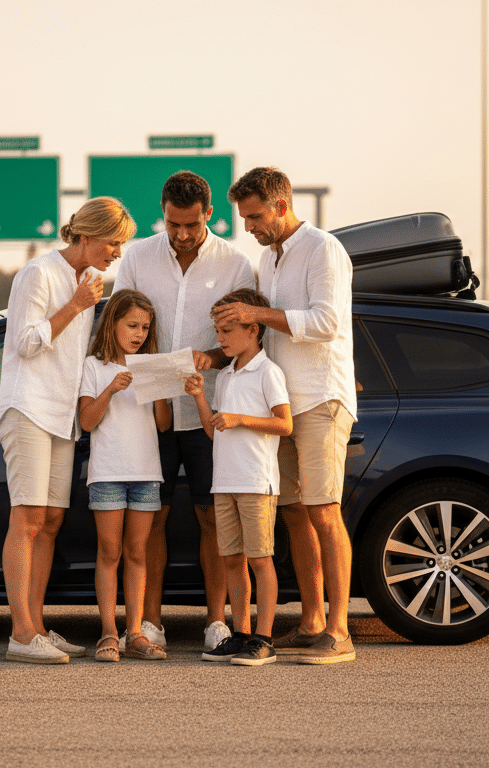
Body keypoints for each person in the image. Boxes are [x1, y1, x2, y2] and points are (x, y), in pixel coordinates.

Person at [214, 167, 359, 665]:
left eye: (254, 216)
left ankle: (339, 633)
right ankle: (312, 621)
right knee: (295, 513)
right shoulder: (267, 258)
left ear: (280, 205)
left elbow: (327, 322)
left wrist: (258, 315)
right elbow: (266, 339)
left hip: (320, 400)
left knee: (323, 510)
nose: (248, 226)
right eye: (244, 217)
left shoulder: (323, 250)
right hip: (283, 407)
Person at [115, 170, 256, 653]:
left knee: (212, 516)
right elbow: (120, 325)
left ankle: (216, 622)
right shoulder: (137, 256)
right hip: (148, 410)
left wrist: (211, 358)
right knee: (151, 516)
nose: (180, 234)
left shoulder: (236, 264)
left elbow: (243, 337)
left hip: (208, 411)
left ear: (208, 216)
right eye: (173, 224)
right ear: (164, 212)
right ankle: (150, 622)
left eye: (190, 225)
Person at [0, 196, 136, 664]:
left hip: (62, 417)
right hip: (29, 409)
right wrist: (75, 306)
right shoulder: (39, 273)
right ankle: (20, 633)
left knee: (51, 522)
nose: (117, 253)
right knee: (28, 519)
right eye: (113, 243)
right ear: (88, 234)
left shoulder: (89, 282)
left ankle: (36, 626)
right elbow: (26, 342)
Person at [186, 288, 291, 666]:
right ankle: (242, 633)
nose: (219, 339)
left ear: (253, 328)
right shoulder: (227, 375)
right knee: (231, 559)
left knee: (261, 560)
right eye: (217, 331)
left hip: (255, 482)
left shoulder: (268, 372)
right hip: (225, 483)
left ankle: (264, 639)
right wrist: (200, 397)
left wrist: (241, 419)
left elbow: (285, 424)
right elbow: (215, 430)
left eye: (227, 330)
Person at [78, 290, 172, 662]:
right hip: (108, 472)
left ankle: (135, 632)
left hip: (147, 472)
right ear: (112, 323)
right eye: (131, 325)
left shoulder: (151, 364)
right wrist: (111, 388)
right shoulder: (93, 366)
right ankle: (108, 632)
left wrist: (162, 392)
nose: (138, 333)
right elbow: (87, 421)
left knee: (137, 553)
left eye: (145, 327)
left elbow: (163, 425)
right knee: (110, 552)